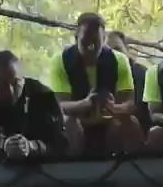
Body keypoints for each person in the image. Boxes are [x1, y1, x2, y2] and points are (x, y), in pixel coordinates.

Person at [49, 12, 143, 158]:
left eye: (95, 43)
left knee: (130, 122)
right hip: (78, 121)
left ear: (104, 39)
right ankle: (73, 170)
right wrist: (86, 103)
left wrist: (112, 107)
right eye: (85, 43)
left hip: (108, 121)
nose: (90, 48)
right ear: (76, 39)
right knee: (68, 122)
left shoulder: (119, 60)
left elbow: (130, 104)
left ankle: (129, 168)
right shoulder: (60, 61)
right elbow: (59, 106)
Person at [0, 51, 66, 161]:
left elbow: (60, 144)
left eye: (16, 83)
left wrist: (32, 147)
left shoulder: (43, 96)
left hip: (36, 166)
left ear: (24, 78)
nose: (10, 92)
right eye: (2, 85)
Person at [107, 30, 151, 132]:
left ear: (126, 50)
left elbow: (141, 109)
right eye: (108, 51)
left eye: (117, 49)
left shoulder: (141, 73)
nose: (114, 55)